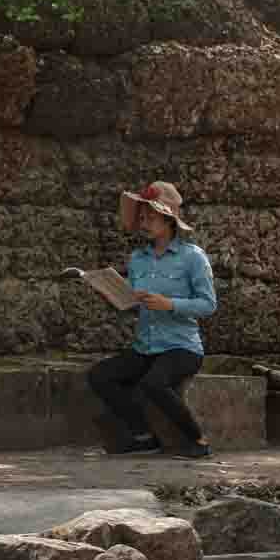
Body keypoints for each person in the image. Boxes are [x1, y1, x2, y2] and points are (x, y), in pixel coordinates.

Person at [87, 180, 218, 459]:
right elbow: (137, 303)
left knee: (153, 383)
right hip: (145, 346)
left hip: (181, 346)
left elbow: (208, 304)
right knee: (100, 376)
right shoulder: (138, 259)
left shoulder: (193, 257)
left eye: (150, 217)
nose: (144, 222)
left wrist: (169, 304)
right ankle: (144, 436)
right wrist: (116, 298)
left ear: (168, 218)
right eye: (142, 217)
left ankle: (198, 439)